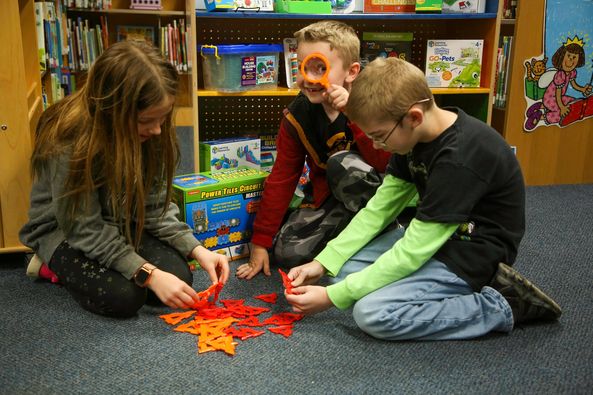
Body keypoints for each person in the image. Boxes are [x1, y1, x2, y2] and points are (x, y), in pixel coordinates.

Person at [284, 57, 562, 340]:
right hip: (436, 237)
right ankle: (416, 291)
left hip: (470, 253)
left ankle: (503, 305)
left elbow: (415, 250)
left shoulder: (460, 159)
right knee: (342, 272)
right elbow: (378, 210)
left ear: (414, 117)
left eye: (379, 136)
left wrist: (332, 297)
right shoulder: (414, 139)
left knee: (372, 314)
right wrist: (323, 262)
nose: (377, 146)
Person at [19, 40, 229, 318]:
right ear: (113, 111)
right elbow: (85, 229)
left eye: (163, 118)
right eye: (146, 121)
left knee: (179, 277)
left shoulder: (152, 132)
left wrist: (197, 248)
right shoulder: (69, 141)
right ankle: (49, 265)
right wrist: (149, 274)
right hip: (65, 230)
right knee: (124, 298)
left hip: (120, 217)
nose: (156, 130)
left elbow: (155, 206)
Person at [236, 20, 390, 280]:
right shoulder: (297, 117)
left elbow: (387, 163)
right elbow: (282, 178)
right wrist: (261, 241)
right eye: (303, 67)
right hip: (334, 201)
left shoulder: (373, 101)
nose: (310, 78)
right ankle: (354, 243)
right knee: (286, 251)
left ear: (351, 72)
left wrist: (354, 114)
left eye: (321, 68)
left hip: (383, 196)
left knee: (341, 163)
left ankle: (386, 235)